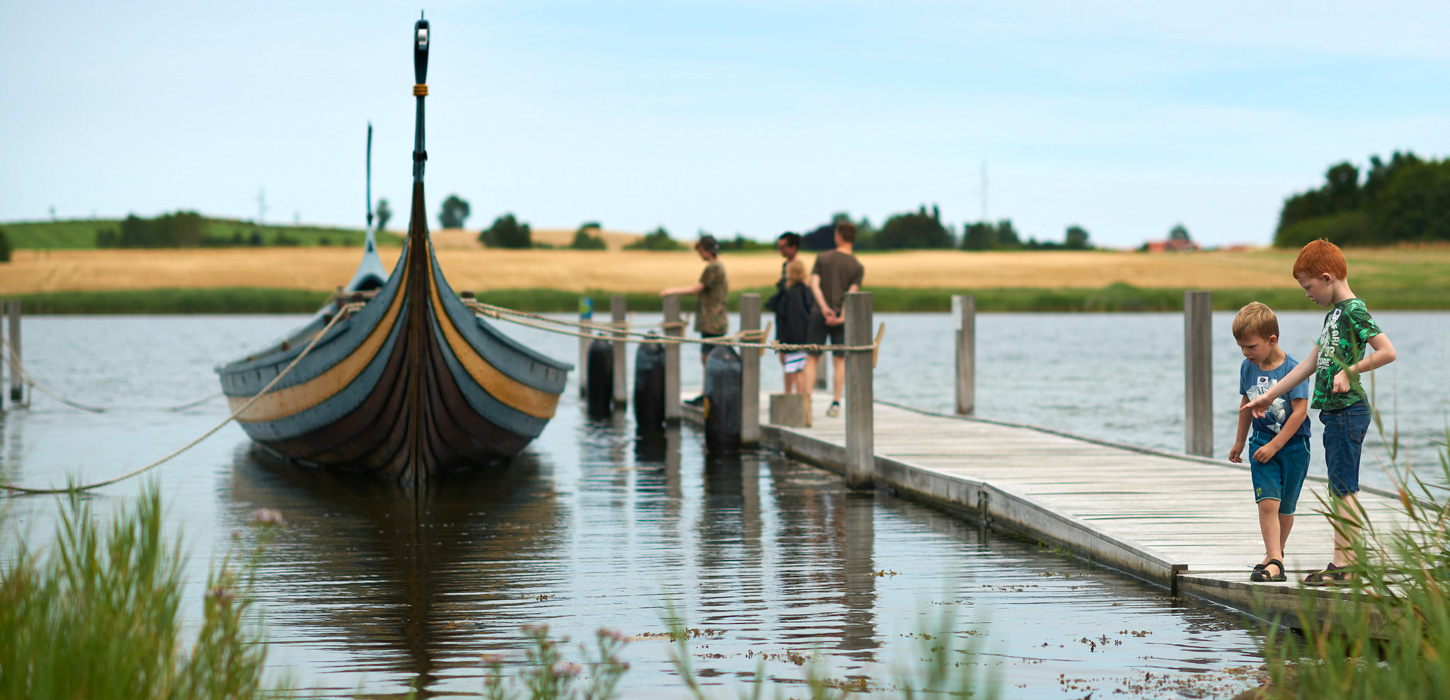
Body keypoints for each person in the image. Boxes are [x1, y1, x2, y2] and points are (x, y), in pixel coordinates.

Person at [1243, 239, 1396, 586]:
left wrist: (1349, 371)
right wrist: (1268, 396)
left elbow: (1387, 351)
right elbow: (1310, 365)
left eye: (1309, 287)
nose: (1308, 294)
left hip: (1348, 410)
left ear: (1327, 278)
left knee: (1342, 488)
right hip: (1334, 413)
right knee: (1343, 487)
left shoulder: (1354, 311)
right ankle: (1351, 562)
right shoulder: (1333, 317)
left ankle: (1345, 565)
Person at [1228, 302, 1311, 583]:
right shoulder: (1247, 368)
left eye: (1250, 346)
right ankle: (1275, 560)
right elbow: (1246, 403)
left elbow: (1300, 411)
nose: (1245, 353)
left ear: (1271, 340)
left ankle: (1275, 556)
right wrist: (1240, 441)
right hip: (1261, 443)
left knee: (1285, 507)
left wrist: (1278, 445)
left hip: (1294, 446)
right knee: (1267, 503)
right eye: (1241, 347)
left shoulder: (1293, 369)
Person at [803, 222, 864, 418]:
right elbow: (851, 294)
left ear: (838, 236)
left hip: (818, 313)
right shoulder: (857, 266)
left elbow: (814, 285)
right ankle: (836, 403)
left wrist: (824, 309)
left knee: (812, 359)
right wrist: (841, 316)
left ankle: (806, 401)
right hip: (841, 318)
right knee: (839, 360)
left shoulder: (822, 258)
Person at [660, 235, 729, 401]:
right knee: (709, 356)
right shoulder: (718, 266)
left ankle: (709, 395)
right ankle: (708, 393)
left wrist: (672, 291)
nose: (699, 254)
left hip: (712, 320)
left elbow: (696, 289)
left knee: (709, 357)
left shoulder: (713, 267)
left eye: (700, 250)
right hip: (715, 319)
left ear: (707, 250)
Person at [773, 258, 814, 394]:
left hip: (789, 337)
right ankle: (802, 400)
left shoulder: (787, 294)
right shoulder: (807, 291)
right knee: (800, 370)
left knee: (791, 370)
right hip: (804, 336)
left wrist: (780, 341)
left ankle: (789, 397)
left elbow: (776, 310)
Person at [765, 231, 803, 377]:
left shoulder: (797, 267)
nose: (781, 251)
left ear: (793, 247)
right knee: (784, 355)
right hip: (784, 316)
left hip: (793, 318)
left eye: (783, 247)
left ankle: (793, 393)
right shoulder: (785, 265)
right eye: (779, 247)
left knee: (792, 357)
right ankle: (791, 392)